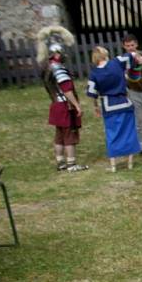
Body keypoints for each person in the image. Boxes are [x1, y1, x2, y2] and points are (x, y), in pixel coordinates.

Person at [36, 26, 88, 173]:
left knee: (59, 135)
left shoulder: (47, 68)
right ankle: (71, 164)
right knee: (68, 134)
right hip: (65, 106)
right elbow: (66, 90)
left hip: (55, 105)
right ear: (58, 52)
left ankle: (61, 162)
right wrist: (77, 105)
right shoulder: (58, 68)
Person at [87, 46, 142, 172]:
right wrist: (138, 60)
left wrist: (95, 107)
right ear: (105, 54)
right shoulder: (117, 62)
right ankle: (130, 163)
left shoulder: (94, 73)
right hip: (125, 102)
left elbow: (92, 92)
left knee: (112, 134)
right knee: (129, 132)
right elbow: (131, 55)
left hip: (109, 106)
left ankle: (113, 165)